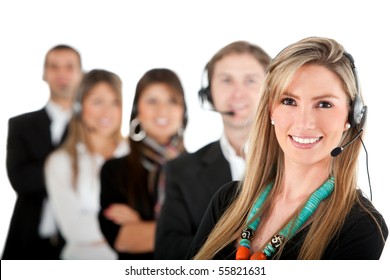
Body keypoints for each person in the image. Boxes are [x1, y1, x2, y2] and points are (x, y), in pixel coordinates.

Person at [188, 36, 388, 260]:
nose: (304, 123)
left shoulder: (362, 226)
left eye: (324, 104)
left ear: (351, 116)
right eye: (289, 101)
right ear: (271, 110)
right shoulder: (227, 201)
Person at [155, 41, 271, 259]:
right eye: (226, 80)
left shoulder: (300, 162)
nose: (238, 93)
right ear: (209, 94)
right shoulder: (180, 170)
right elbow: (167, 250)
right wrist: (240, 245)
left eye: (250, 80)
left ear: (270, 90)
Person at [2, 45, 83, 260]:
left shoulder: (91, 128)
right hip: (26, 240)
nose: (61, 74)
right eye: (54, 67)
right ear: (44, 74)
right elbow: (21, 180)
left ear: (80, 74)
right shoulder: (20, 125)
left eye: (69, 67)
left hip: (79, 242)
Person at [98, 68, 188, 259]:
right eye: (152, 101)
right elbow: (125, 239)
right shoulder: (114, 171)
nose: (162, 110)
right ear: (137, 109)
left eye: (172, 100)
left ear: (183, 111)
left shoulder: (203, 169)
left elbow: (221, 240)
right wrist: (195, 232)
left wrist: (144, 227)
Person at [44, 69, 128, 260]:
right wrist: (128, 225)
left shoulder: (134, 154)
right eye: (98, 102)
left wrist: (95, 222)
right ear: (79, 106)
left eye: (115, 102)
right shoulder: (60, 162)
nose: (107, 112)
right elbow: (73, 228)